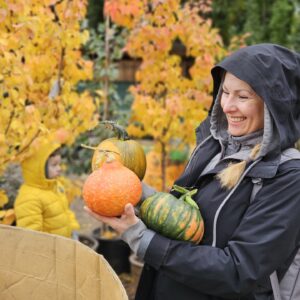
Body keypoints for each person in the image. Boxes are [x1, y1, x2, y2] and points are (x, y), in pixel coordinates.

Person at [86, 43, 300, 300]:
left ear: (274, 107)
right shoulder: (213, 147)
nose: (228, 106)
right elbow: (184, 221)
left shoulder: (288, 177)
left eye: (243, 97)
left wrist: (141, 239)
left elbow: (238, 271)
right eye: (226, 92)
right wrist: (134, 194)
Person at [14, 141, 80, 238]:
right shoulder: (29, 198)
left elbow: (65, 211)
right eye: (54, 165)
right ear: (38, 168)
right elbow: (31, 237)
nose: (59, 168)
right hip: (49, 250)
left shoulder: (55, 185)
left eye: (59, 164)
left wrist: (73, 228)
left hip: (64, 243)